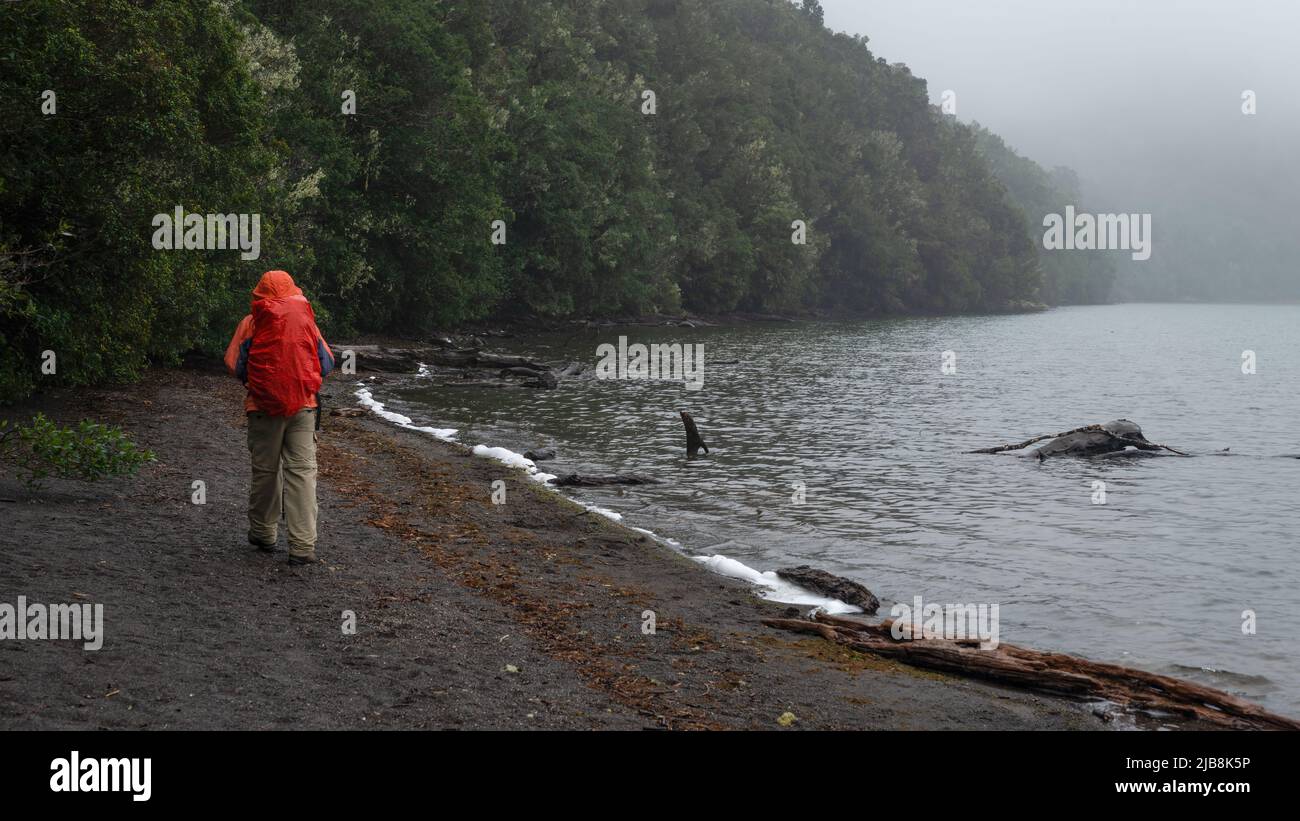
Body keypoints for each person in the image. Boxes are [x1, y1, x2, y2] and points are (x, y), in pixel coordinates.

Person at [223, 270, 334, 565]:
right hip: (303, 407)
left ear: (259, 295)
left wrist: (260, 384)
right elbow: (326, 363)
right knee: (302, 474)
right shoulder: (306, 319)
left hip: (262, 408)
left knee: (266, 472)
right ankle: (302, 546)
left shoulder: (251, 322)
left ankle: (264, 533)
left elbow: (235, 363)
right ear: (292, 291)